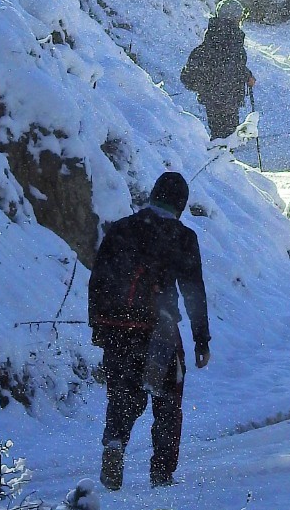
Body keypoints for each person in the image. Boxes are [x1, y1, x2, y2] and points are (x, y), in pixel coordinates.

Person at [88, 172, 211, 491]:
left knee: (122, 395)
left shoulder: (121, 229)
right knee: (168, 402)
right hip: (160, 333)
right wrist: (201, 339)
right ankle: (161, 473)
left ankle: (114, 444)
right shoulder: (182, 237)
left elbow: (97, 279)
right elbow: (193, 290)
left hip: (116, 329)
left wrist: (98, 328)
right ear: (181, 205)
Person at [180, 0, 256, 139]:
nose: (240, 19)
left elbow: (229, 63)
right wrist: (245, 77)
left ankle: (219, 158)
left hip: (213, 96)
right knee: (227, 137)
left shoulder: (214, 34)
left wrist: (246, 75)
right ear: (233, 17)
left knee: (219, 134)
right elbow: (232, 65)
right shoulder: (231, 36)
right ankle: (222, 159)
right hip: (227, 96)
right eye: (239, 16)